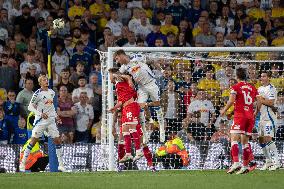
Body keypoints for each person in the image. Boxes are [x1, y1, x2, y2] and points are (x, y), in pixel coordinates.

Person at [114, 49, 165, 142]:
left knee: (157, 105)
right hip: (141, 87)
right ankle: (145, 134)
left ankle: (162, 128)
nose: (117, 61)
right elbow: (116, 75)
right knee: (139, 109)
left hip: (151, 84)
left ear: (121, 55)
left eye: (117, 58)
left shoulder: (137, 57)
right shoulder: (124, 67)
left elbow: (152, 61)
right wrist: (128, 78)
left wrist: (161, 70)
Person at [19, 75, 66, 172]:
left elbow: (51, 107)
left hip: (51, 121)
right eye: (44, 80)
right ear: (40, 83)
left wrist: (57, 117)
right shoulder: (37, 93)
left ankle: (61, 165)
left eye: (46, 79)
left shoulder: (52, 92)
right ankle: (23, 163)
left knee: (57, 140)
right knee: (33, 141)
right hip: (41, 121)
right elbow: (30, 107)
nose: (46, 81)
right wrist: (40, 114)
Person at [220, 68, 258, 174]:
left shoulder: (236, 87)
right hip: (250, 116)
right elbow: (258, 101)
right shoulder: (252, 87)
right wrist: (256, 112)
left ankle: (236, 163)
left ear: (237, 76)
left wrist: (224, 110)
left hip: (240, 116)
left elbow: (231, 101)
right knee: (245, 142)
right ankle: (245, 166)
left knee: (234, 139)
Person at [108, 68, 143, 162]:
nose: (109, 78)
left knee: (132, 128)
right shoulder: (117, 86)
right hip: (125, 108)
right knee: (125, 130)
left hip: (131, 106)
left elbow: (127, 76)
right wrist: (114, 108)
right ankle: (128, 153)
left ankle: (139, 151)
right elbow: (120, 102)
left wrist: (116, 75)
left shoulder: (119, 79)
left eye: (109, 75)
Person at [256, 71, 280, 171]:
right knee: (261, 140)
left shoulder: (272, 88)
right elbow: (259, 102)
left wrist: (261, 99)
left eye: (264, 76)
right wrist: (256, 111)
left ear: (269, 78)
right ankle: (268, 161)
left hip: (270, 118)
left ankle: (277, 162)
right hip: (261, 118)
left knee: (268, 139)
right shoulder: (260, 88)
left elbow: (271, 102)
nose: (262, 78)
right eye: (261, 76)